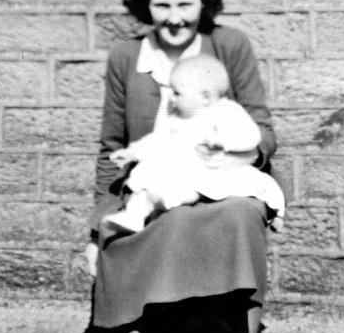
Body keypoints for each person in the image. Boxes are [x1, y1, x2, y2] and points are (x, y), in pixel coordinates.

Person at [85, 0, 282, 333]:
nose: (174, 19)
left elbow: (264, 132)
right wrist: (95, 230)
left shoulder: (228, 46)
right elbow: (110, 147)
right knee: (139, 223)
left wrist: (233, 154)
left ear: (204, 4)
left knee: (239, 214)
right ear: (144, 8)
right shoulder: (127, 58)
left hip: (223, 179)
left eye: (185, 6)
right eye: (162, 7)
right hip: (153, 182)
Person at [102, 54, 285, 234]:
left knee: (257, 185)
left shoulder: (226, 111)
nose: (171, 98)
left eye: (177, 92)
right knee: (145, 177)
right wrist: (133, 152)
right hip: (184, 170)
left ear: (205, 97)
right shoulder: (177, 119)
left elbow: (250, 136)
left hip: (215, 171)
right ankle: (134, 216)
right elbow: (156, 141)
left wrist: (224, 142)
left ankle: (276, 213)